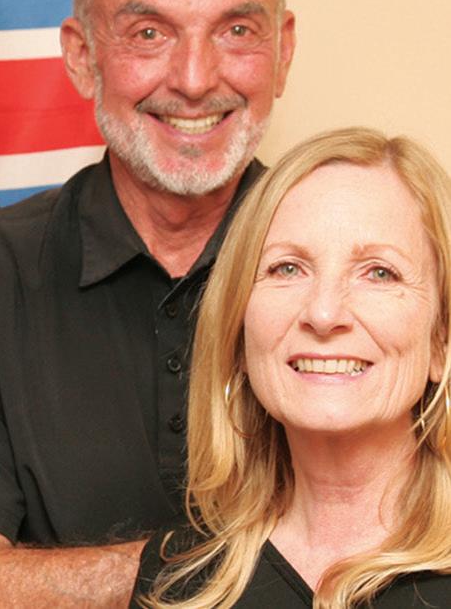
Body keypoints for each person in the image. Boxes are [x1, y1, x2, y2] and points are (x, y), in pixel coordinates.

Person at [0, 0, 297, 605]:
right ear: (81, 57)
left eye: (236, 30)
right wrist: (225, 571)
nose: (195, 79)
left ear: (282, 51)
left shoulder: (354, 262)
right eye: (149, 33)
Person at [136, 127, 451, 607]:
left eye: (379, 272)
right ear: (239, 329)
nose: (323, 314)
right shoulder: (178, 575)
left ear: (440, 341)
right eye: (287, 268)